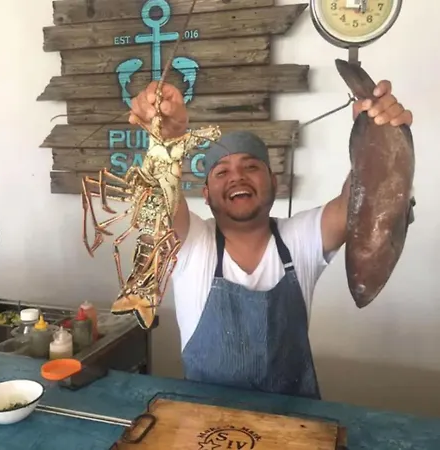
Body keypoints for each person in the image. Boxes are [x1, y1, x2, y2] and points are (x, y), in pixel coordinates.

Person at [130, 80, 413, 399]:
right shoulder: (193, 243)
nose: (237, 176)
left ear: (274, 183)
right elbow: (162, 203)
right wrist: (165, 140)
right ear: (206, 195)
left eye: (251, 166)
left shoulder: (301, 238)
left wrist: (376, 132)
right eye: (222, 172)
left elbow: (360, 203)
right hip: (205, 421)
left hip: (296, 421)